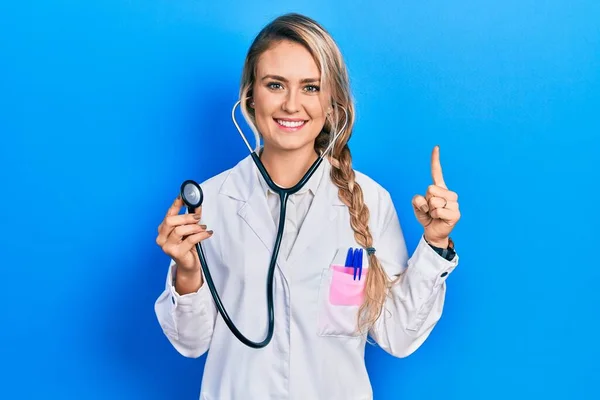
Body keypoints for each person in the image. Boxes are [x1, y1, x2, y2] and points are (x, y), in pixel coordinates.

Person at [154, 12, 460, 400]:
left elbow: (398, 334)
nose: (292, 104)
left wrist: (434, 244)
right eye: (275, 85)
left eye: (311, 87)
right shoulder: (212, 202)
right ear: (250, 95)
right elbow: (191, 342)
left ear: (332, 102)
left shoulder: (369, 200)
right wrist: (187, 273)